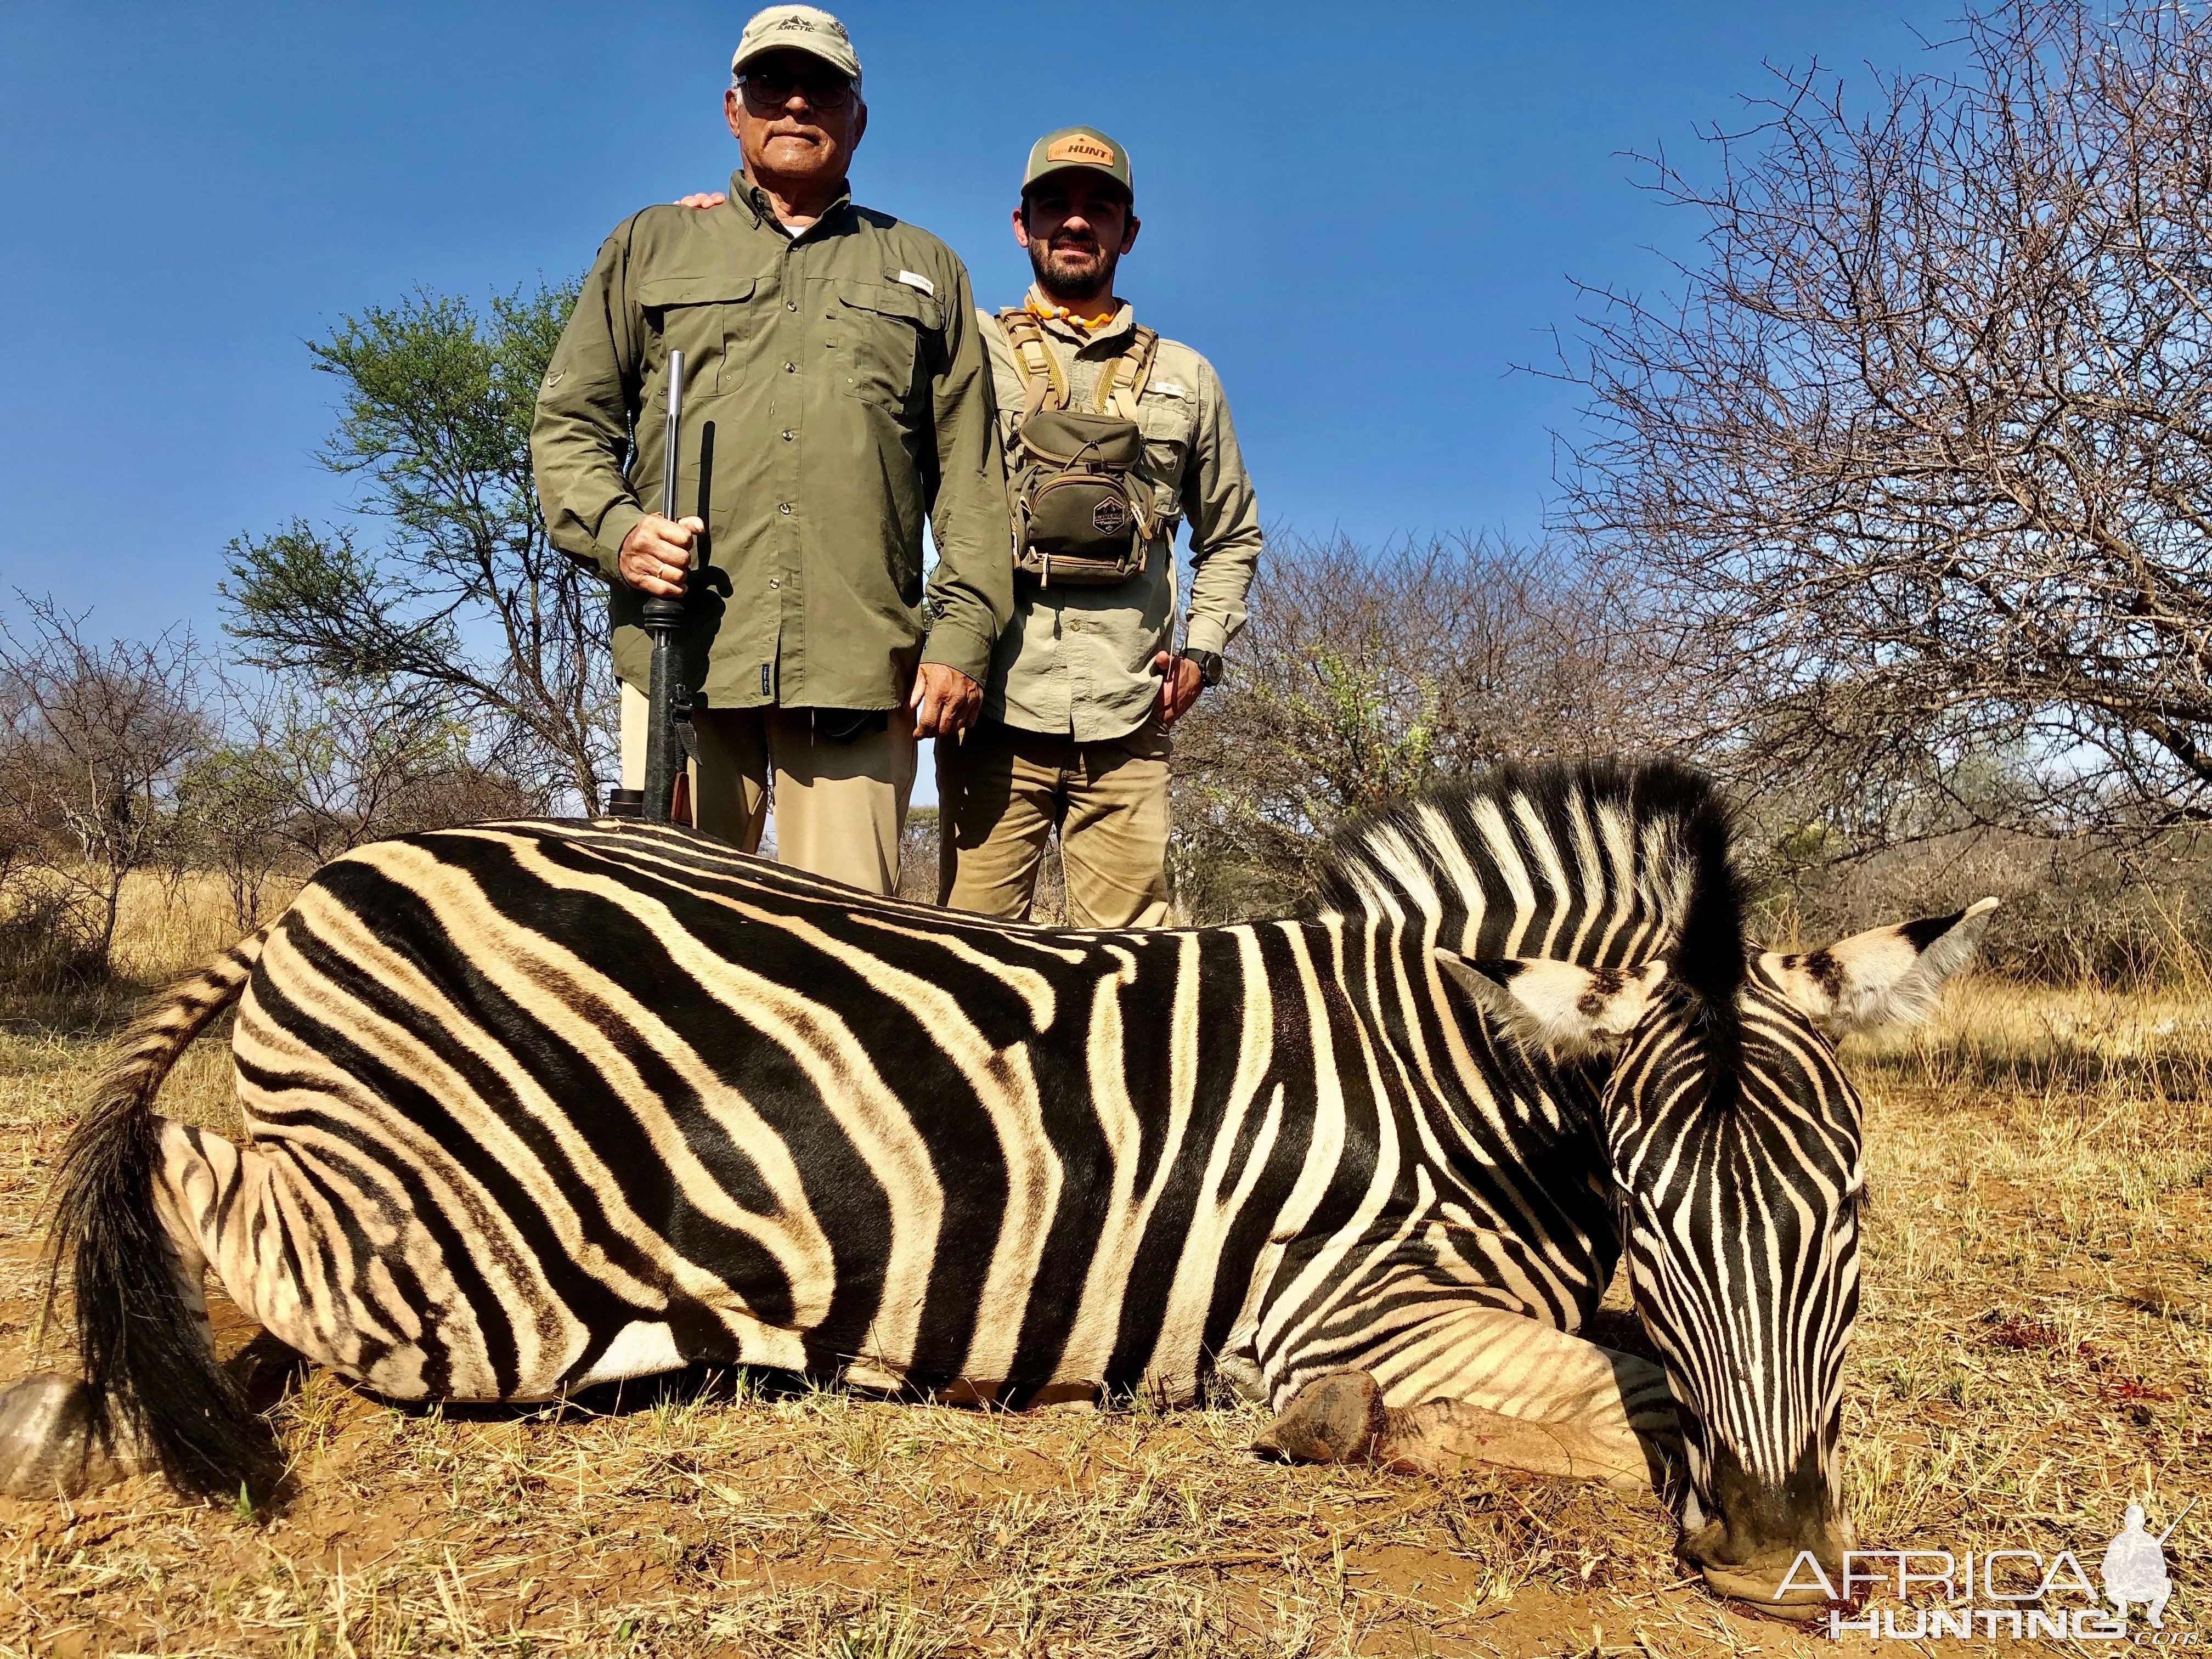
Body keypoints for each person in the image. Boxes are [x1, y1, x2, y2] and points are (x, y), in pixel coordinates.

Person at [531, 4, 1011, 894]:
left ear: (858, 117)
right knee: (669, 964)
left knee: (852, 968)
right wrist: (618, 529)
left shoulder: (925, 265)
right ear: (732, 108)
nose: (795, 103)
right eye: (770, 83)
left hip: (861, 675)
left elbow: (973, 479)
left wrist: (962, 638)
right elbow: (569, 425)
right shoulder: (653, 242)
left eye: (823, 86)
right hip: (685, 661)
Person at [938, 127, 1263, 927]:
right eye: (1055, 205)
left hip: (1129, 710)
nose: (1075, 224)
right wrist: (730, 225)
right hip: (992, 705)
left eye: (1099, 208)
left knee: (1132, 971)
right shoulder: (966, 345)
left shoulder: (1188, 375)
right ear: (1023, 224)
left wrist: (1203, 651)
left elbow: (1231, 534)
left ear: (1129, 231)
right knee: (968, 954)